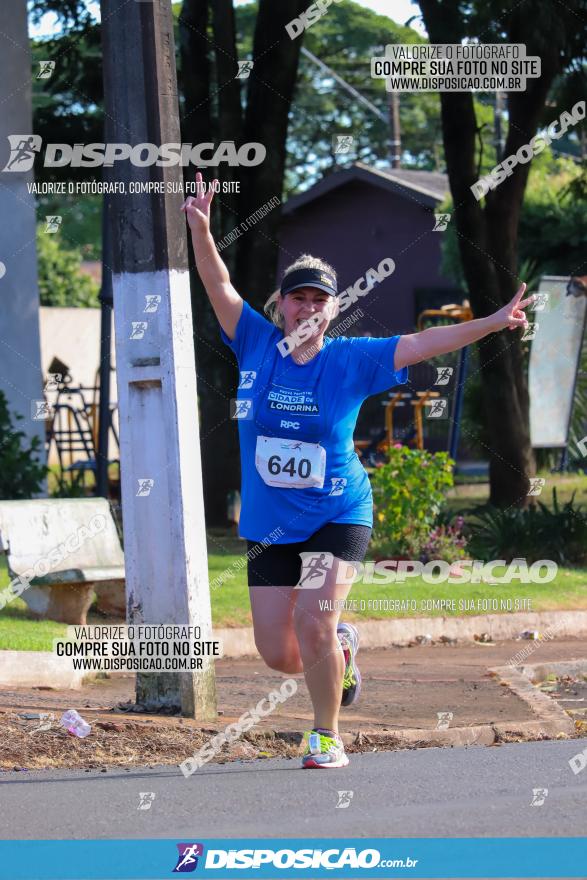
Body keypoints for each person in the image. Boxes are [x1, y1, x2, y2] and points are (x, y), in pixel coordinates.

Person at [182, 172, 534, 769]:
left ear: (334, 309)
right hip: (269, 522)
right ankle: (343, 649)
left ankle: (325, 737)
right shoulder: (254, 342)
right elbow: (216, 281)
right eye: (299, 298)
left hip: (338, 513)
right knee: (278, 653)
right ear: (281, 304)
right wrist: (199, 227)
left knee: (314, 617)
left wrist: (493, 322)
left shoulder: (352, 360)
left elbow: (427, 343)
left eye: (321, 300)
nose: (309, 308)